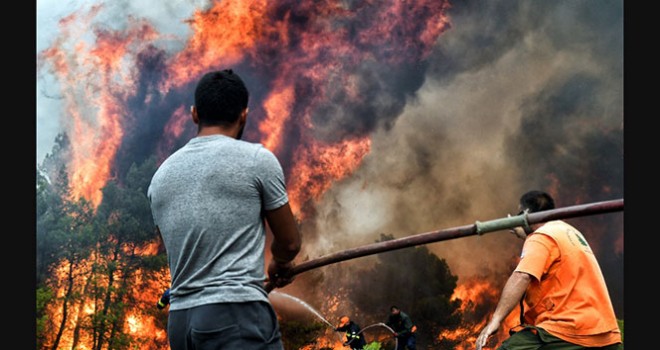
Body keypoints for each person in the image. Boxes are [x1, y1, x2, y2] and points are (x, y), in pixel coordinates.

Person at [148, 69, 302, 350]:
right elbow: (290, 243)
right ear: (244, 114)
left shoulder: (160, 178)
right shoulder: (257, 160)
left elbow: (177, 249)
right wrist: (279, 262)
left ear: (194, 114)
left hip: (181, 323)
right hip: (234, 315)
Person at [475, 190, 622, 350]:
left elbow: (522, 276)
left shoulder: (541, 237)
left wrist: (495, 320)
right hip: (605, 334)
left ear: (526, 213)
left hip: (568, 329)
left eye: (519, 213)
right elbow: (551, 252)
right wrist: (526, 235)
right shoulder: (568, 232)